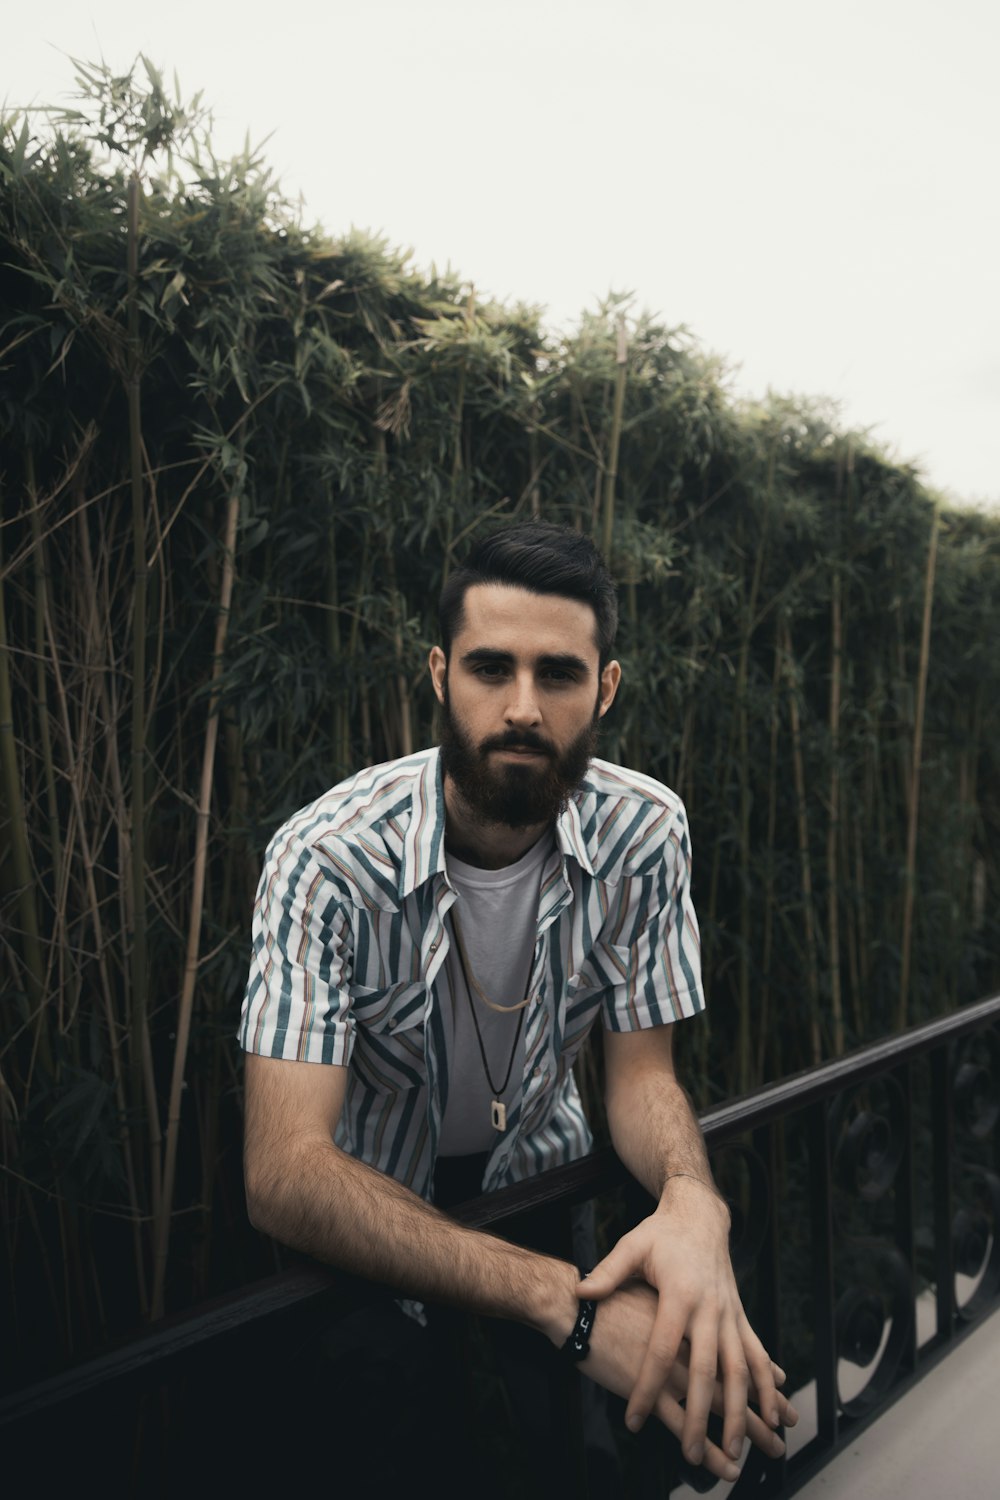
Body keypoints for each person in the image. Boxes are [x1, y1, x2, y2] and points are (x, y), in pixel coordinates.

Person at [239, 521, 796, 1489]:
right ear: (438, 673)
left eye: (559, 675)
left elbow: (642, 1074)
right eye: (491, 669)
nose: (523, 709)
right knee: (393, 1443)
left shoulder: (643, 831)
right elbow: (287, 1170)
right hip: (364, 1207)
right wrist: (565, 1305)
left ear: (606, 688)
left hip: (539, 1175)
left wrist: (689, 1199)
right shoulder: (327, 857)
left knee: (566, 1451)